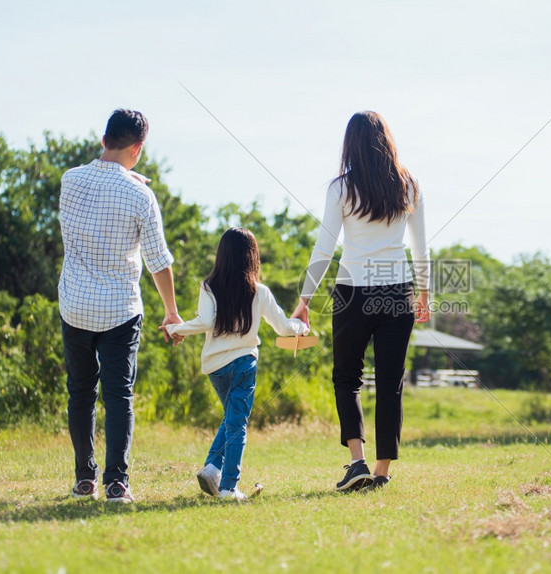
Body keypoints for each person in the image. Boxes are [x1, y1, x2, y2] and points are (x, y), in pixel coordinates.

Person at [292, 111, 431, 492]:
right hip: (397, 290)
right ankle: (382, 472)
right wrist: (424, 293)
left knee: (347, 378)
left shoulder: (340, 188)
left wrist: (304, 299)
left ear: (349, 144)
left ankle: (357, 463)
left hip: (353, 291)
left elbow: (324, 247)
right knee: (390, 383)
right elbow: (420, 248)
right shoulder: (409, 185)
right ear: (387, 140)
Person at [59, 109, 181, 503]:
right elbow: (157, 261)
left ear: (103, 138)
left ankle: (84, 479)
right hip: (118, 310)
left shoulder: (70, 181)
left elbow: (100, 185)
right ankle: (116, 482)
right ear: (139, 148)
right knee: (118, 396)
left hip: (75, 306)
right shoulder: (140, 195)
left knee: (80, 392)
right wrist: (171, 312)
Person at [163, 227, 309, 501]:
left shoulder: (208, 286)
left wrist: (176, 329)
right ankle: (229, 487)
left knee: (232, 419)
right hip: (243, 363)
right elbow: (283, 328)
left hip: (215, 368)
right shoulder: (259, 291)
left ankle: (211, 468)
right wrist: (301, 325)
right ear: (252, 257)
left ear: (221, 256)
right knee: (237, 423)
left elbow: (205, 321)